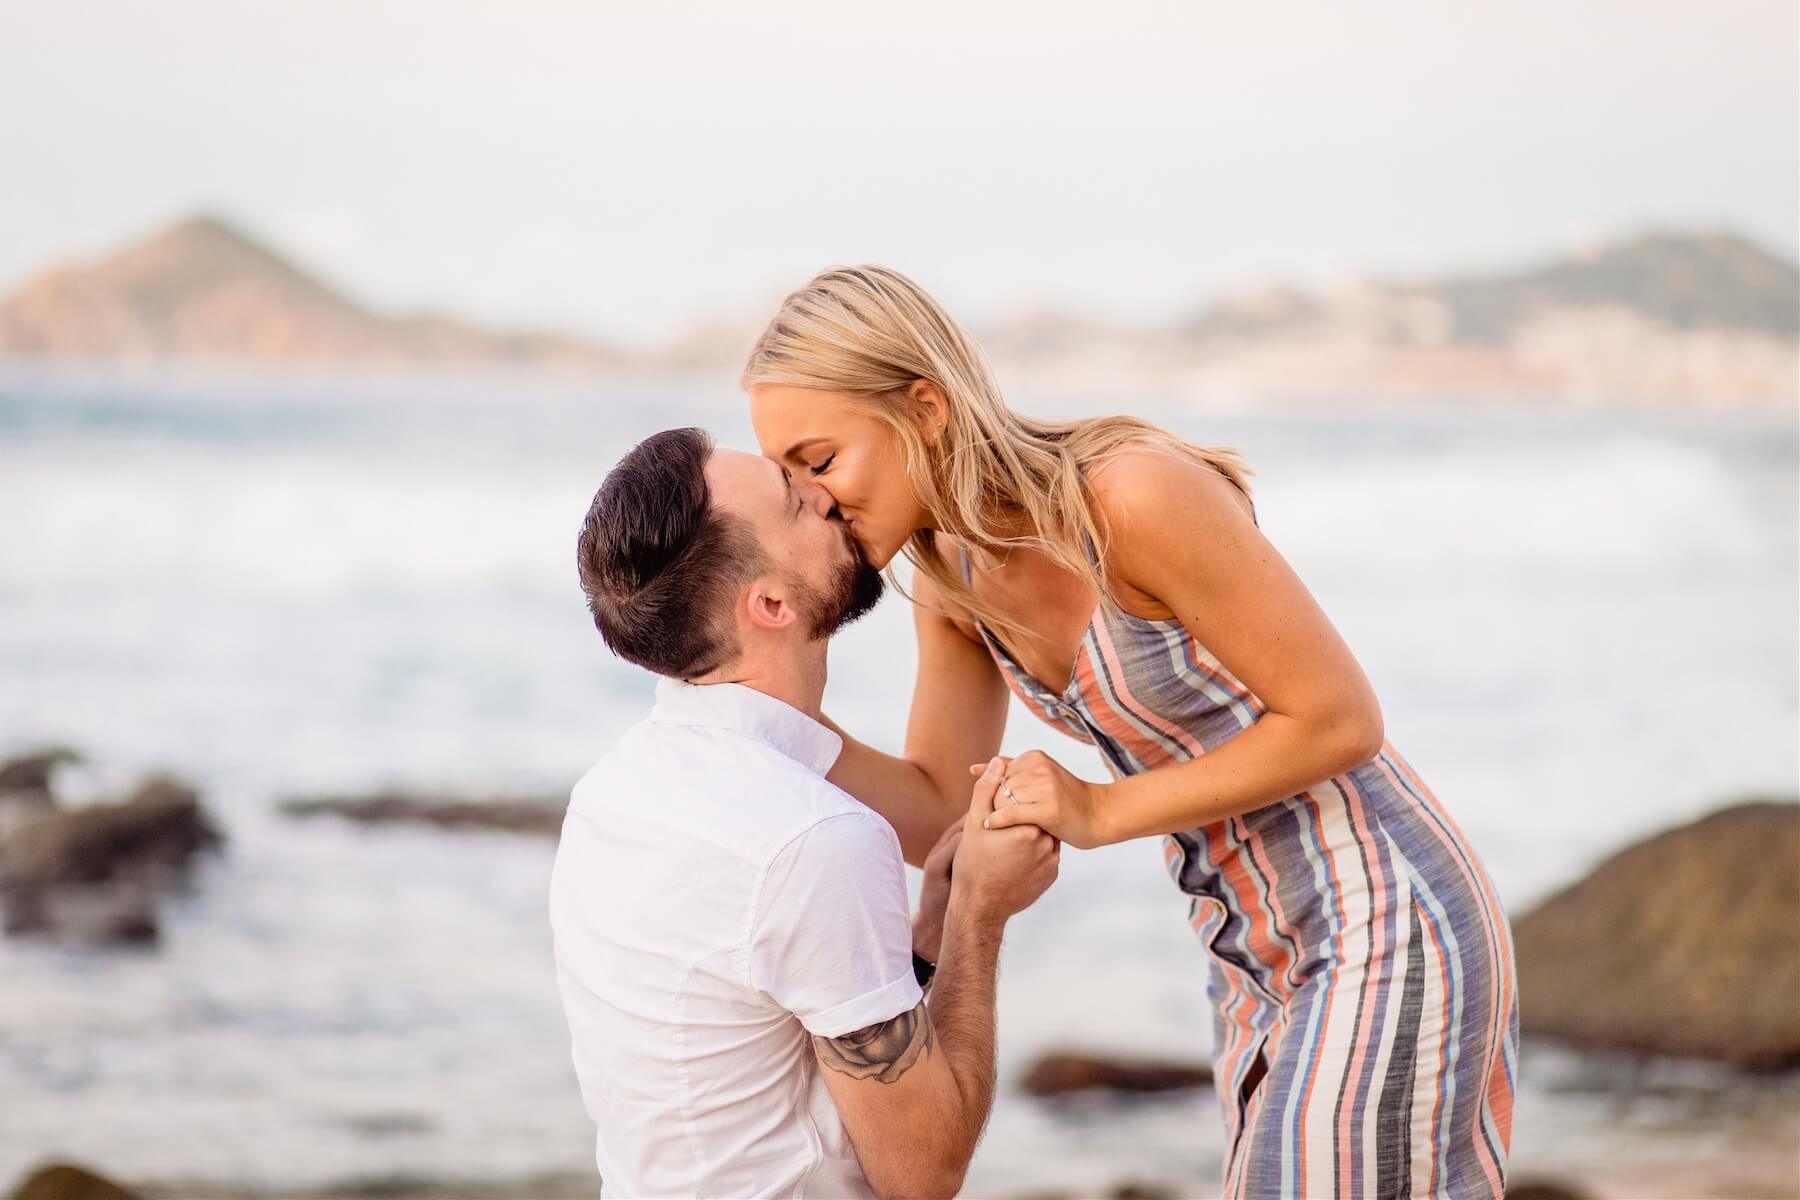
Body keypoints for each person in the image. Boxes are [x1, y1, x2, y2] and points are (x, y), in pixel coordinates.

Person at [743, 266, 1521, 1199]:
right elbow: (940, 808)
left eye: (820, 461)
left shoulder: (1129, 497)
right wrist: (763, 711)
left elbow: (1340, 718)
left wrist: (1102, 809)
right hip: (1246, 954)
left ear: (926, 406)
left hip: (1383, 920)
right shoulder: (949, 575)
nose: (811, 502)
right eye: (787, 478)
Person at [549, 426, 1059, 1199]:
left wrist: (930, 928)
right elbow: (923, 1173)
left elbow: (789, 1017)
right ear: (771, 603)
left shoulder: (614, 792)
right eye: (796, 500)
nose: (824, 493)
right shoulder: (812, 838)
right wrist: (980, 918)